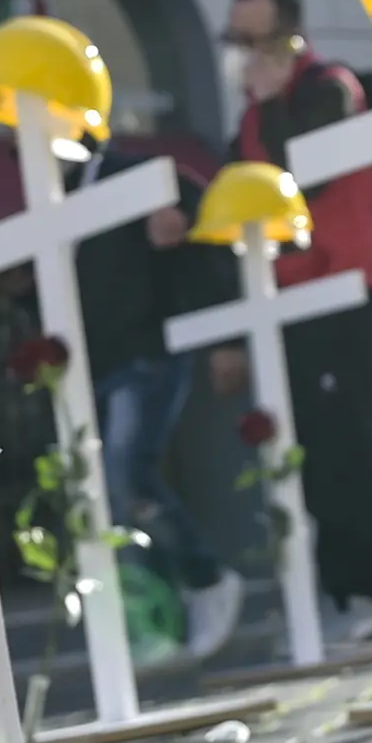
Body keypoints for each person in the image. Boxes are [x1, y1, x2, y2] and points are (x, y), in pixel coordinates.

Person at [226, 0, 372, 652]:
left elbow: (304, 176)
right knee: (307, 451)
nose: (245, 54)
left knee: (345, 448)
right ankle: (332, 598)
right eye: (236, 39)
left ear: (290, 38)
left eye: (257, 40)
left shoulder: (330, 89)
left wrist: (274, 103)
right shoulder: (252, 113)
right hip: (289, 297)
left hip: (346, 290)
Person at [78, 184, 246, 661]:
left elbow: (192, 213)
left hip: (144, 352)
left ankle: (205, 577)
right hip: (99, 362)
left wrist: (226, 337)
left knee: (128, 472)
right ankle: (162, 615)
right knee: (113, 495)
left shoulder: (126, 175)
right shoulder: (60, 187)